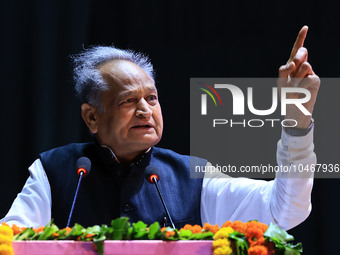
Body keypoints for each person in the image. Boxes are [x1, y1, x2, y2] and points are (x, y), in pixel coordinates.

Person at [0, 26, 319, 230]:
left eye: (151, 98)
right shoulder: (54, 171)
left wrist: (297, 122)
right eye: (128, 101)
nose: (145, 109)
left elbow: (284, 211)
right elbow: (11, 239)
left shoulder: (193, 177)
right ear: (92, 118)